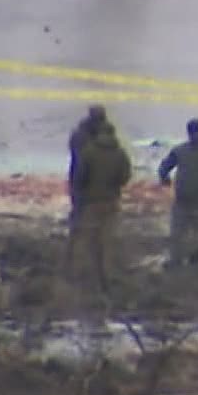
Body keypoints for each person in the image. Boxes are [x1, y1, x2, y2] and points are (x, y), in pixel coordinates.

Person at [72, 119, 133, 291]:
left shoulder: (89, 152)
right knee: (107, 241)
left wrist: (81, 195)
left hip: (91, 202)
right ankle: (106, 279)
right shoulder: (120, 153)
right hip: (110, 201)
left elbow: (79, 177)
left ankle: (86, 278)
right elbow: (125, 177)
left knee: (88, 239)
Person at [159, 119, 198, 267]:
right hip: (183, 199)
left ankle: (196, 259)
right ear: (189, 134)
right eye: (193, 133)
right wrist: (164, 177)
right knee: (177, 232)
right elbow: (165, 166)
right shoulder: (180, 151)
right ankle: (176, 259)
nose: (196, 136)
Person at [67, 105, 110, 229]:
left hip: (80, 176)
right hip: (96, 179)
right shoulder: (106, 135)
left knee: (80, 209)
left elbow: (74, 151)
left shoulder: (79, 133)